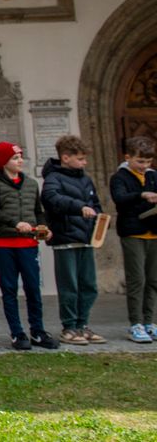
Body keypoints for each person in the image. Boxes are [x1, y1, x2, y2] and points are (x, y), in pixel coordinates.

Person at [0, 142, 60, 350]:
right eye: (15, 158)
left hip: (29, 244)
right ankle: (17, 333)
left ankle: (37, 331)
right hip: (5, 244)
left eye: (20, 157)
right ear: (3, 162)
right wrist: (14, 223)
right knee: (9, 289)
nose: (20, 161)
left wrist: (43, 227)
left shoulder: (31, 184)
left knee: (33, 288)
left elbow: (38, 210)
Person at [42, 135, 106, 345]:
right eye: (80, 159)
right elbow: (52, 199)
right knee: (69, 285)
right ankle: (69, 327)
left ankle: (82, 324)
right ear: (66, 157)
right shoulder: (53, 178)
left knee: (89, 285)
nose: (84, 163)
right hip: (65, 240)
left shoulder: (86, 179)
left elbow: (94, 203)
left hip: (86, 239)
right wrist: (78, 208)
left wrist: (99, 216)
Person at [110, 136, 157, 343]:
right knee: (137, 279)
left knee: (153, 280)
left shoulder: (153, 175)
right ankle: (135, 323)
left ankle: (149, 321)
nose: (144, 166)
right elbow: (120, 198)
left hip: (154, 232)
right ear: (128, 157)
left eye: (148, 162)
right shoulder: (120, 177)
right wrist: (142, 196)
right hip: (133, 233)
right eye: (140, 162)